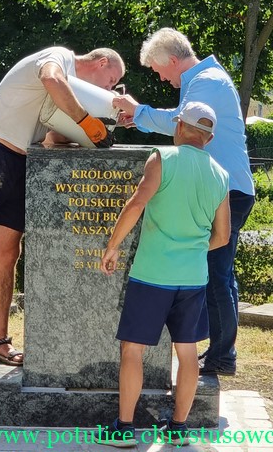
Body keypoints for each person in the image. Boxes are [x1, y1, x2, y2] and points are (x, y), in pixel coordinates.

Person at [0, 46, 125, 365]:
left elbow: (54, 137)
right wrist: (86, 120)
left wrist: (106, 124)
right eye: (111, 81)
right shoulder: (59, 58)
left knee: (8, 253)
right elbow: (51, 78)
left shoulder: (72, 92)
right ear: (101, 63)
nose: (108, 89)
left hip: (20, 161)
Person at [113, 28, 255, 376]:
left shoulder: (207, 81)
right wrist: (139, 117)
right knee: (218, 273)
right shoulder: (206, 79)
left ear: (174, 60)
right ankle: (220, 351)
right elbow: (180, 121)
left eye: (160, 71)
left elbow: (182, 123)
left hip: (227, 190)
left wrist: (138, 111)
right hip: (225, 188)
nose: (162, 78)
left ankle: (222, 355)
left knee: (217, 275)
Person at [94, 102, 230, 448]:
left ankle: (124, 429)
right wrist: (192, 250)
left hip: (153, 274)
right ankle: (178, 428)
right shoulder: (220, 174)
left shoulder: (163, 158)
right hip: (193, 277)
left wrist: (113, 246)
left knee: (133, 350)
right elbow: (223, 236)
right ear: (209, 138)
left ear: (180, 126)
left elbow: (137, 202)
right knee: (187, 352)